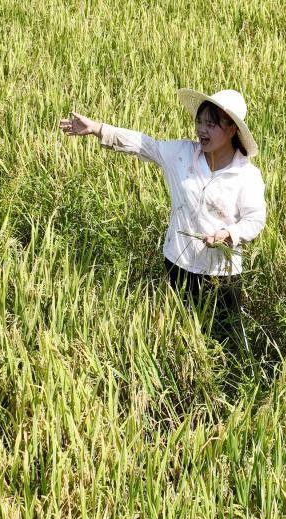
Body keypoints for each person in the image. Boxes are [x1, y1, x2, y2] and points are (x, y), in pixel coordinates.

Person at [59, 89, 266, 344]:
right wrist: (99, 129)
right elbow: (144, 145)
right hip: (178, 263)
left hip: (220, 273)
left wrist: (229, 234)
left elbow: (255, 219)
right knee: (179, 334)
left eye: (211, 124)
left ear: (232, 129)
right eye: (199, 122)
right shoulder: (181, 154)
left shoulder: (245, 175)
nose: (202, 130)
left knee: (224, 340)